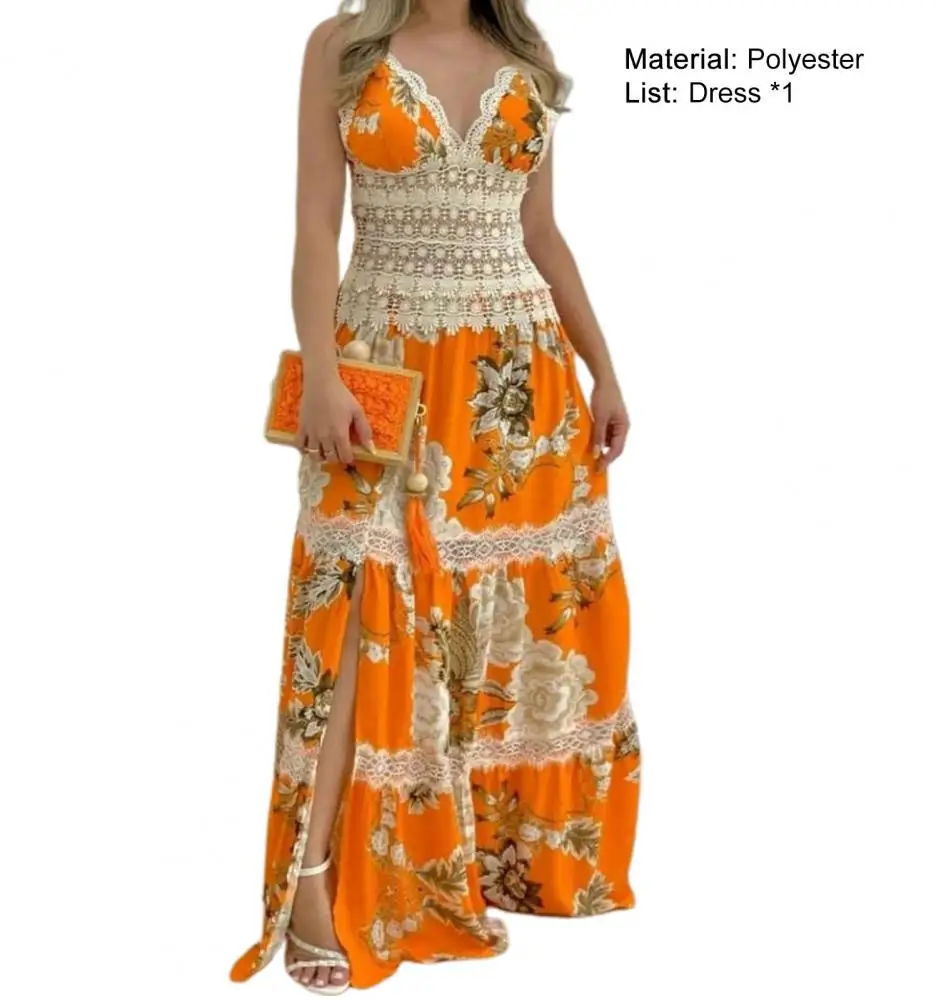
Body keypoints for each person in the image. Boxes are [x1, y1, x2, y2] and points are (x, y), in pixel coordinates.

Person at [229, 1, 640, 994]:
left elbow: (540, 231)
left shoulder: (523, 53)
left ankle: (484, 854)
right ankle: (314, 884)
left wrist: (604, 370)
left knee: (506, 623)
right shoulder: (341, 46)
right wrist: (321, 370)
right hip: (381, 370)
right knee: (358, 611)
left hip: (518, 384)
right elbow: (315, 227)